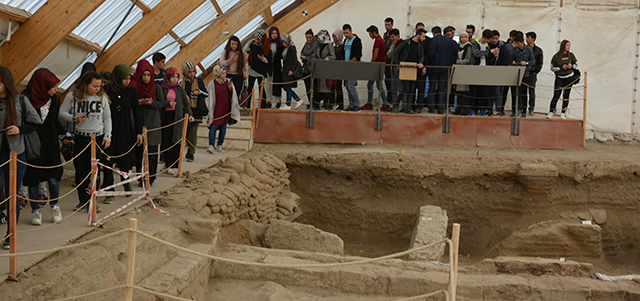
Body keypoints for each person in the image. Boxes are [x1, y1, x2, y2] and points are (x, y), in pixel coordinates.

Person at [0, 66, 41, 248]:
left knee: (12, 194)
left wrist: (19, 129)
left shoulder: (20, 101)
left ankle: (11, 233)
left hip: (16, 152)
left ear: (6, 82)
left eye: (0, 81)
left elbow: (36, 122)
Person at [59, 71, 111, 214]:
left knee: (95, 170)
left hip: (98, 137)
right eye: (94, 86)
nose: (97, 89)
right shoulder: (73, 96)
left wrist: (108, 136)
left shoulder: (102, 98)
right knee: (81, 169)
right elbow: (62, 112)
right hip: (81, 137)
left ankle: (93, 199)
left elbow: (107, 117)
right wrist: (74, 118)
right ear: (86, 84)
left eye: (99, 86)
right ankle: (83, 200)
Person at [22, 69, 66, 225]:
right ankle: (36, 211)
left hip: (50, 143)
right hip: (33, 143)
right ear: (42, 85)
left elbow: (54, 119)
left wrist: (64, 134)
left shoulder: (55, 99)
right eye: (53, 86)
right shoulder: (25, 99)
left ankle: (55, 207)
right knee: (33, 178)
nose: (56, 90)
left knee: (53, 178)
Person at [103, 64, 143, 202]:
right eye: (124, 78)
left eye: (129, 78)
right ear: (117, 76)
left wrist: (139, 132)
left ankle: (126, 184)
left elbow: (137, 112)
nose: (126, 81)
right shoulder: (107, 90)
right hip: (109, 131)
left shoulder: (131, 91)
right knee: (108, 162)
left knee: (125, 161)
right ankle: (109, 191)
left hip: (126, 130)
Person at [133, 60, 167, 188]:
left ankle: (151, 177)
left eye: (148, 75)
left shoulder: (157, 88)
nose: (146, 78)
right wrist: (139, 102)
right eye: (144, 75)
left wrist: (151, 103)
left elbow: (162, 103)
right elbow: (132, 104)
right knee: (140, 152)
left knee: (152, 153)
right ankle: (141, 177)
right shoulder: (137, 87)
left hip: (153, 124)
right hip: (140, 123)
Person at [160, 67, 193, 174]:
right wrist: (167, 104)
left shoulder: (179, 89)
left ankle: (171, 165)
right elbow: (160, 102)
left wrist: (190, 114)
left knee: (175, 141)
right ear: (167, 77)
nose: (174, 79)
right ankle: (166, 163)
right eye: (172, 77)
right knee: (166, 142)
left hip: (176, 117)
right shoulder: (162, 88)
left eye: (176, 77)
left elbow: (186, 102)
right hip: (165, 117)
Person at [393, 28, 427, 114]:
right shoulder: (406, 42)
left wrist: (421, 63)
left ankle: (408, 107)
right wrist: (398, 64)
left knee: (411, 89)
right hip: (405, 68)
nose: (424, 38)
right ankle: (396, 105)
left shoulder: (420, 45)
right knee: (405, 88)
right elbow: (396, 52)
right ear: (418, 35)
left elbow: (422, 55)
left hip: (414, 68)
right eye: (423, 36)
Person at [206, 66, 239, 153]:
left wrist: (230, 88)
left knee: (223, 129)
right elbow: (209, 98)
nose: (225, 75)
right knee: (213, 128)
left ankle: (219, 145)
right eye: (223, 73)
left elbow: (233, 95)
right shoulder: (212, 84)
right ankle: (211, 145)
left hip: (225, 110)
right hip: (216, 110)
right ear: (218, 73)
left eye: (225, 73)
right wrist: (208, 111)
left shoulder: (228, 82)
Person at [181, 61, 208, 162]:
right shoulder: (182, 82)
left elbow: (206, 93)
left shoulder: (199, 81)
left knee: (193, 132)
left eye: (193, 71)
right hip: (185, 110)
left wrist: (199, 92)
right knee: (186, 132)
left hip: (196, 110)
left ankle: (191, 153)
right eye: (190, 72)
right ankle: (189, 149)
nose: (192, 74)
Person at [428, 26, 458, 114]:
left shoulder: (433, 40)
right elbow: (454, 55)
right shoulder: (451, 41)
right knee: (443, 88)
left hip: (434, 68)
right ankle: (441, 108)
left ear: (433, 33)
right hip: (446, 69)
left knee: (432, 88)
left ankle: (431, 107)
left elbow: (431, 54)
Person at [468, 29, 498, 116]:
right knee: (473, 91)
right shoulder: (475, 43)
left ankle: (481, 108)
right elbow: (476, 54)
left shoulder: (487, 45)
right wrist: (489, 51)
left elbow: (486, 58)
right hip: (475, 70)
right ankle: (472, 109)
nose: (489, 41)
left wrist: (493, 55)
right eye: (488, 39)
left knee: (483, 91)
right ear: (484, 37)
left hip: (484, 70)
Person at [361, 25, 390, 111]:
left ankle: (374, 103)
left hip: (377, 65)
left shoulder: (378, 41)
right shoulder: (381, 40)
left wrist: (371, 63)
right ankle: (384, 102)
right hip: (380, 65)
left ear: (374, 33)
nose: (370, 36)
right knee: (378, 85)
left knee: (372, 84)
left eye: (370, 34)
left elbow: (376, 54)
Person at [547, 40, 578, 120]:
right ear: (563, 46)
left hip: (569, 77)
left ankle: (563, 112)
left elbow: (576, 64)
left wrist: (571, 66)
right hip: (560, 78)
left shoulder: (571, 55)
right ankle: (551, 111)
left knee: (566, 96)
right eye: (567, 45)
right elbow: (552, 67)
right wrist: (561, 68)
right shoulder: (556, 56)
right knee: (556, 95)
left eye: (569, 45)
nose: (568, 47)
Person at [509, 34, 535, 118]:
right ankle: (514, 110)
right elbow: (511, 59)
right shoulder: (514, 50)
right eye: (516, 43)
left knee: (524, 93)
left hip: (525, 74)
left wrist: (526, 63)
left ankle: (524, 111)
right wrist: (513, 62)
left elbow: (533, 61)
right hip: (515, 73)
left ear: (523, 42)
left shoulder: (529, 50)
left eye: (519, 43)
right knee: (515, 92)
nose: (518, 45)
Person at [244, 29, 272, 109]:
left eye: (258, 39)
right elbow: (245, 50)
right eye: (256, 39)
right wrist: (250, 41)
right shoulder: (254, 45)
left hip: (260, 71)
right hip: (252, 70)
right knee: (250, 88)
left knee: (261, 89)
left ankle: (262, 105)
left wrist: (262, 59)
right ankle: (247, 105)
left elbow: (269, 61)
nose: (257, 41)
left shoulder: (266, 47)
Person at [313, 29, 336, 110]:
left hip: (327, 69)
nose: (318, 40)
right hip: (320, 69)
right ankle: (325, 104)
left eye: (319, 38)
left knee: (325, 88)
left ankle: (332, 102)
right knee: (320, 88)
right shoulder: (319, 46)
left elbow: (333, 56)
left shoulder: (329, 45)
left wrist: (328, 58)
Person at [220, 36, 248, 101]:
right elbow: (222, 64)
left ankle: (235, 108)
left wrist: (246, 73)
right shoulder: (225, 52)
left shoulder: (242, 53)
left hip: (238, 75)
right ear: (229, 44)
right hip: (227, 75)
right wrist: (232, 59)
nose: (234, 46)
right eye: (232, 44)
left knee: (237, 92)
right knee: (227, 93)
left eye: (235, 44)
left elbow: (245, 63)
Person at [280, 34, 304, 110]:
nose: (284, 44)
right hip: (286, 69)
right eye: (282, 42)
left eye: (285, 42)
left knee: (288, 86)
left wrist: (292, 70)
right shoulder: (286, 48)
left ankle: (288, 104)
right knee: (285, 86)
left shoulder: (292, 48)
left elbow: (294, 61)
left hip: (289, 70)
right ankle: (298, 100)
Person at [342, 24, 363, 112]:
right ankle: (351, 105)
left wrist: (350, 62)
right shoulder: (346, 40)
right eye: (344, 33)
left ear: (351, 31)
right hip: (346, 66)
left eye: (347, 33)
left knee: (351, 86)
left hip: (353, 66)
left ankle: (357, 104)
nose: (346, 35)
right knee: (347, 86)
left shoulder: (356, 40)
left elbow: (358, 55)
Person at [301, 29, 320, 106]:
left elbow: (314, 57)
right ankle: (311, 102)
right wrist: (304, 57)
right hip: (305, 69)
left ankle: (315, 102)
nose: (308, 39)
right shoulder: (306, 44)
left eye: (310, 37)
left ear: (313, 37)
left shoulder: (315, 45)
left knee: (313, 87)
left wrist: (306, 58)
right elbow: (302, 52)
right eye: (307, 37)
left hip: (312, 70)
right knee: (307, 87)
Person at [526, 32, 543, 116]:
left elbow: (540, 63)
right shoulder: (524, 48)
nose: (526, 39)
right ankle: (522, 108)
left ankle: (531, 108)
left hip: (532, 73)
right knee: (523, 91)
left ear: (533, 39)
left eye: (528, 37)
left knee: (531, 92)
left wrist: (536, 71)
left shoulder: (538, 50)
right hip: (524, 72)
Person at [455, 33, 472, 115]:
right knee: (459, 90)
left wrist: (459, 62)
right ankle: (458, 108)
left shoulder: (469, 46)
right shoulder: (457, 46)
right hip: (458, 70)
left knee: (465, 90)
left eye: (465, 37)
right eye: (462, 37)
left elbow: (469, 59)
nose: (463, 38)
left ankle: (464, 109)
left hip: (466, 70)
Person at [386, 28, 403, 109]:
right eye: (391, 37)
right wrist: (393, 45)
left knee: (401, 88)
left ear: (398, 36)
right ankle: (395, 105)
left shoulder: (402, 43)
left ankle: (404, 106)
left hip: (400, 68)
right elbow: (389, 55)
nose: (392, 39)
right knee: (393, 88)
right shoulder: (392, 44)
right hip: (393, 68)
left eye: (393, 37)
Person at [268, 27, 284, 107]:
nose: (274, 35)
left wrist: (275, 59)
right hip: (268, 65)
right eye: (273, 33)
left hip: (277, 65)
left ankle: (278, 101)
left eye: (276, 33)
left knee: (277, 83)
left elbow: (282, 55)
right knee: (268, 83)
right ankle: (269, 101)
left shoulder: (280, 43)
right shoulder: (267, 42)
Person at [332, 29, 345, 111]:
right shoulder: (334, 45)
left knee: (339, 87)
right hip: (333, 69)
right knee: (333, 87)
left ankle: (340, 104)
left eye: (335, 36)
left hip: (339, 69)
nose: (334, 38)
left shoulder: (342, 46)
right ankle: (333, 103)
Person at [383, 18, 395, 107]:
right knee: (387, 81)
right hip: (385, 61)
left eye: (388, 25)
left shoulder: (393, 36)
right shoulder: (384, 36)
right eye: (386, 25)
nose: (387, 26)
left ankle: (392, 101)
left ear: (392, 25)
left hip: (391, 62)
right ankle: (388, 101)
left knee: (391, 82)